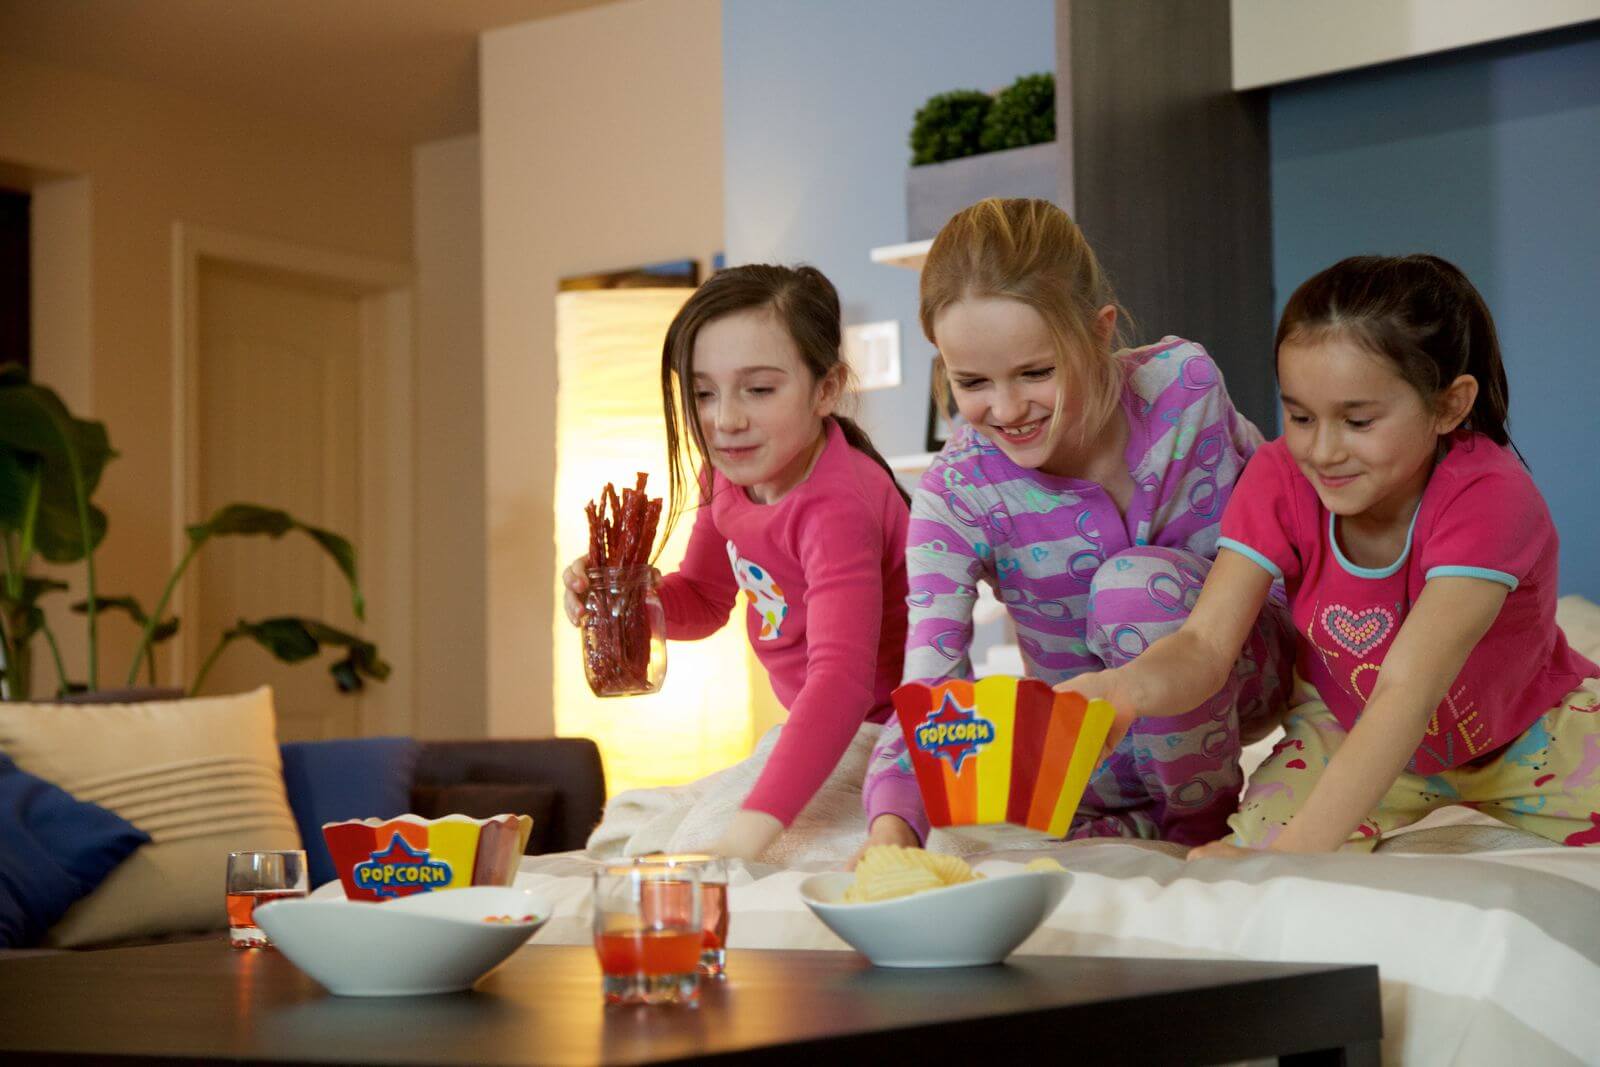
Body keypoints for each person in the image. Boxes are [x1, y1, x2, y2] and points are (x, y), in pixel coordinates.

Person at [1061, 254, 1600, 855]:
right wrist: (1124, 689)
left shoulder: (1491, 496)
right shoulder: (1276, 479)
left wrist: (1294, 859)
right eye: (1299, 416)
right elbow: (1205, 646)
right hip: (1345, 727)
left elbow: (1408, 689)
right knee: (1229, 860)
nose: (1322, 450)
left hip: (1526, 732)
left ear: (1450, 405)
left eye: (1358, 420)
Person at [861, 198, 1295, 854]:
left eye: (1037, 372)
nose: (1007, 409)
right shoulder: (955, 492)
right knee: (1029, 756)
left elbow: (1287, 526)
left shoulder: (1186, 388)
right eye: (970, 381)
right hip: (1100, 749)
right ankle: (1130, 826)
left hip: (1243, 673)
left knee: (1134, 587)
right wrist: (891, 830)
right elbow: (932, 681)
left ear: (1099, 331)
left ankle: (1199, 826)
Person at [563, 264, 911, 862]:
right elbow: (702, 599)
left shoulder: (838, 507)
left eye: (759, 389)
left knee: (700, 839)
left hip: (892, 737)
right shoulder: (725, 477)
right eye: (704, 392)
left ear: (826, 389)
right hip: (826, 732)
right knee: (636, 820)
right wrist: (625, 602)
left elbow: (841, 685)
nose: (725, 419)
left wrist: (743, 840)